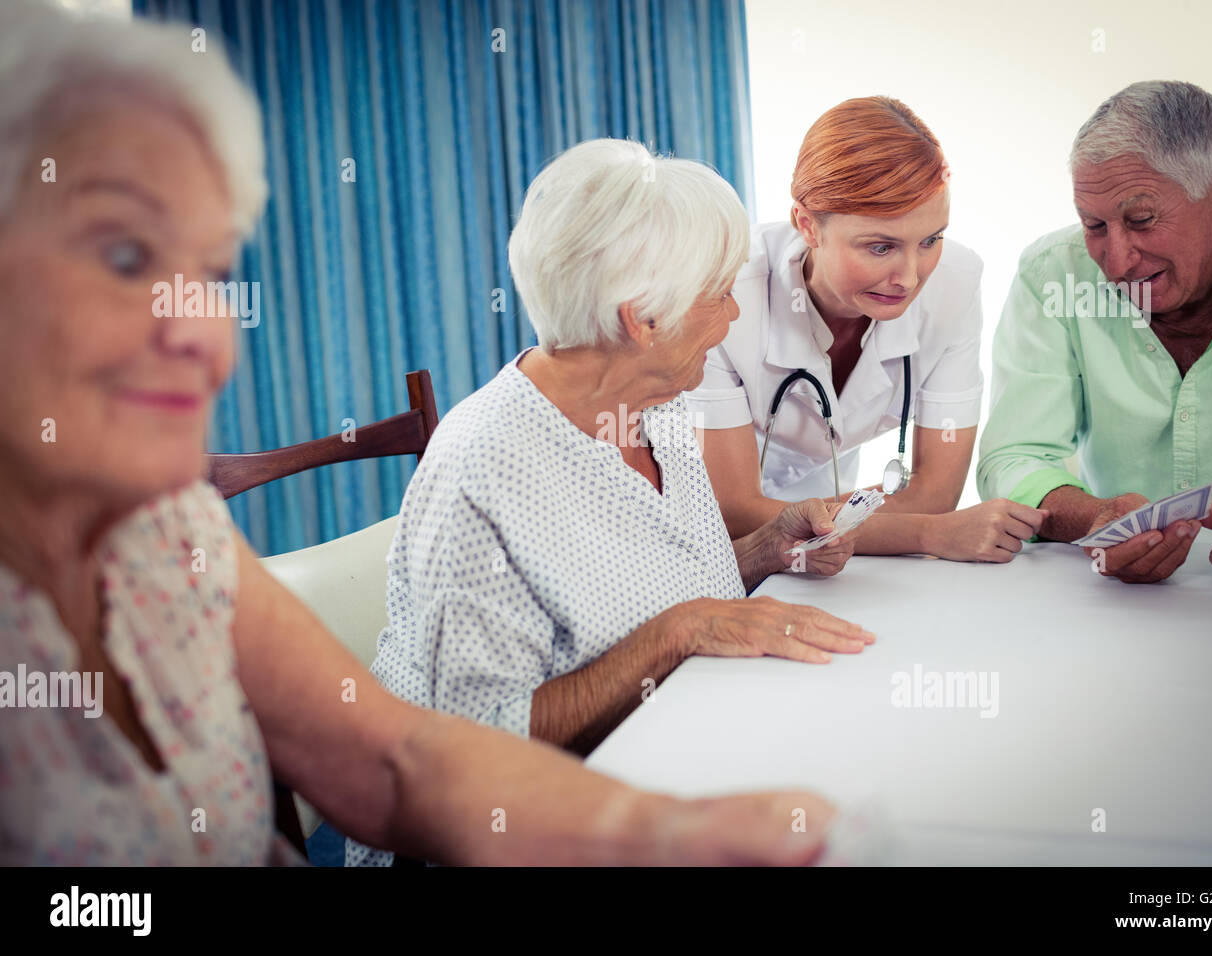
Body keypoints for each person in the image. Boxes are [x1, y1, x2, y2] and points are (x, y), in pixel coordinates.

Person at [0, 1, 838, 866]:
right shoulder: (486, 459)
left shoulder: (163, 531)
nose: (207, 331)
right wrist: (677, 649)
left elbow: (396, 762)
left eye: (207, 270)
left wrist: (674, 833)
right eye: (127, 259)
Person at [346, 138, 875, 866]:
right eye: (717, 294)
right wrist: (678, 632)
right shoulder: (485, 468)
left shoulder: (654, 404)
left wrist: (768, 550)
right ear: (643, 320)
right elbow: (474, 744)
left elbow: (681, 591)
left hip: (670, 758)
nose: (730, 317)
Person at [687, 97, 1048, 564]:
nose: (911, 276)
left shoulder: (955, 282)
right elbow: (734, 510)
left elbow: (935, 492)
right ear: (807, 226)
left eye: (930, 240)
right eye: (881, 247)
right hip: (715, 544)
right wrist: (927, 535)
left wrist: (895, 521)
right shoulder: (729, 293)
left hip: (841, 547)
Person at [978, 80, 1212, 584]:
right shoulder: (1052, 275)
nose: (1117, 260)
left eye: (1142, 220)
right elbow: (1015, 455)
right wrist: (1093, 517)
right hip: (1114, 608)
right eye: (1094, 226)